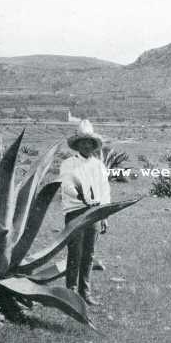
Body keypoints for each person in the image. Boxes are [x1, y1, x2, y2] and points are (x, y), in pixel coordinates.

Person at [60, 119, 111, 306]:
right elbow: (67, 187)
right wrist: (83, 198)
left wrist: (104, 215)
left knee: (89, 253)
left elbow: (104, 190)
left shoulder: (98, 165)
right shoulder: (68, 164)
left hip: (96, 213)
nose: (86, 145)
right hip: (75, 212)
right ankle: (71, 293)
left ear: (93, 145)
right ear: (77, 144)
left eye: (89, 142)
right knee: (75, 252)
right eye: (83, 142)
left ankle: (85, 292)